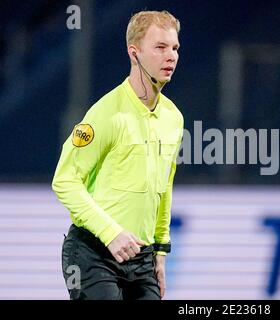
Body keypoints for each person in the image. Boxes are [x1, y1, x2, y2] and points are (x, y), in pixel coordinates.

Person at [52, 10, 183, 300]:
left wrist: (160, 250)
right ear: (133, 53)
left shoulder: (173, 118)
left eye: (174, 48)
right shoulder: (105, 114)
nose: (171, 56)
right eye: (160, 47)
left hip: (142, 258)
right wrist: (110, 232)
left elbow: (164, 188)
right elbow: (64, 181)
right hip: (92, 254)